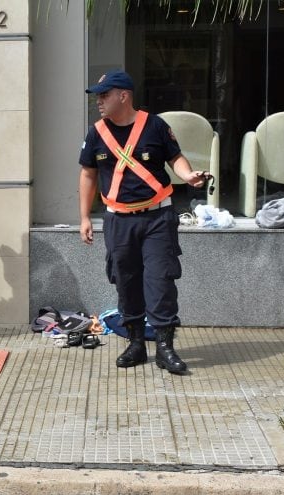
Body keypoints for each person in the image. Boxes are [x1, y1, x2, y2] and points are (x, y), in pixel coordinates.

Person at [78, 70, 208, 374]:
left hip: (157, 217)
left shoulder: (155, 126)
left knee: (160, 281)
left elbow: (175, 157)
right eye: (97, 95)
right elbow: (88, 174)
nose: (99, 101)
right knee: (126, 280)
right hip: (118, 221)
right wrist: (84, 217)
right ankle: (136, 343)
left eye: (104, 95)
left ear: (124, 95)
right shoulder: (96, 133)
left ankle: (165, 348)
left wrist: (188, 176)